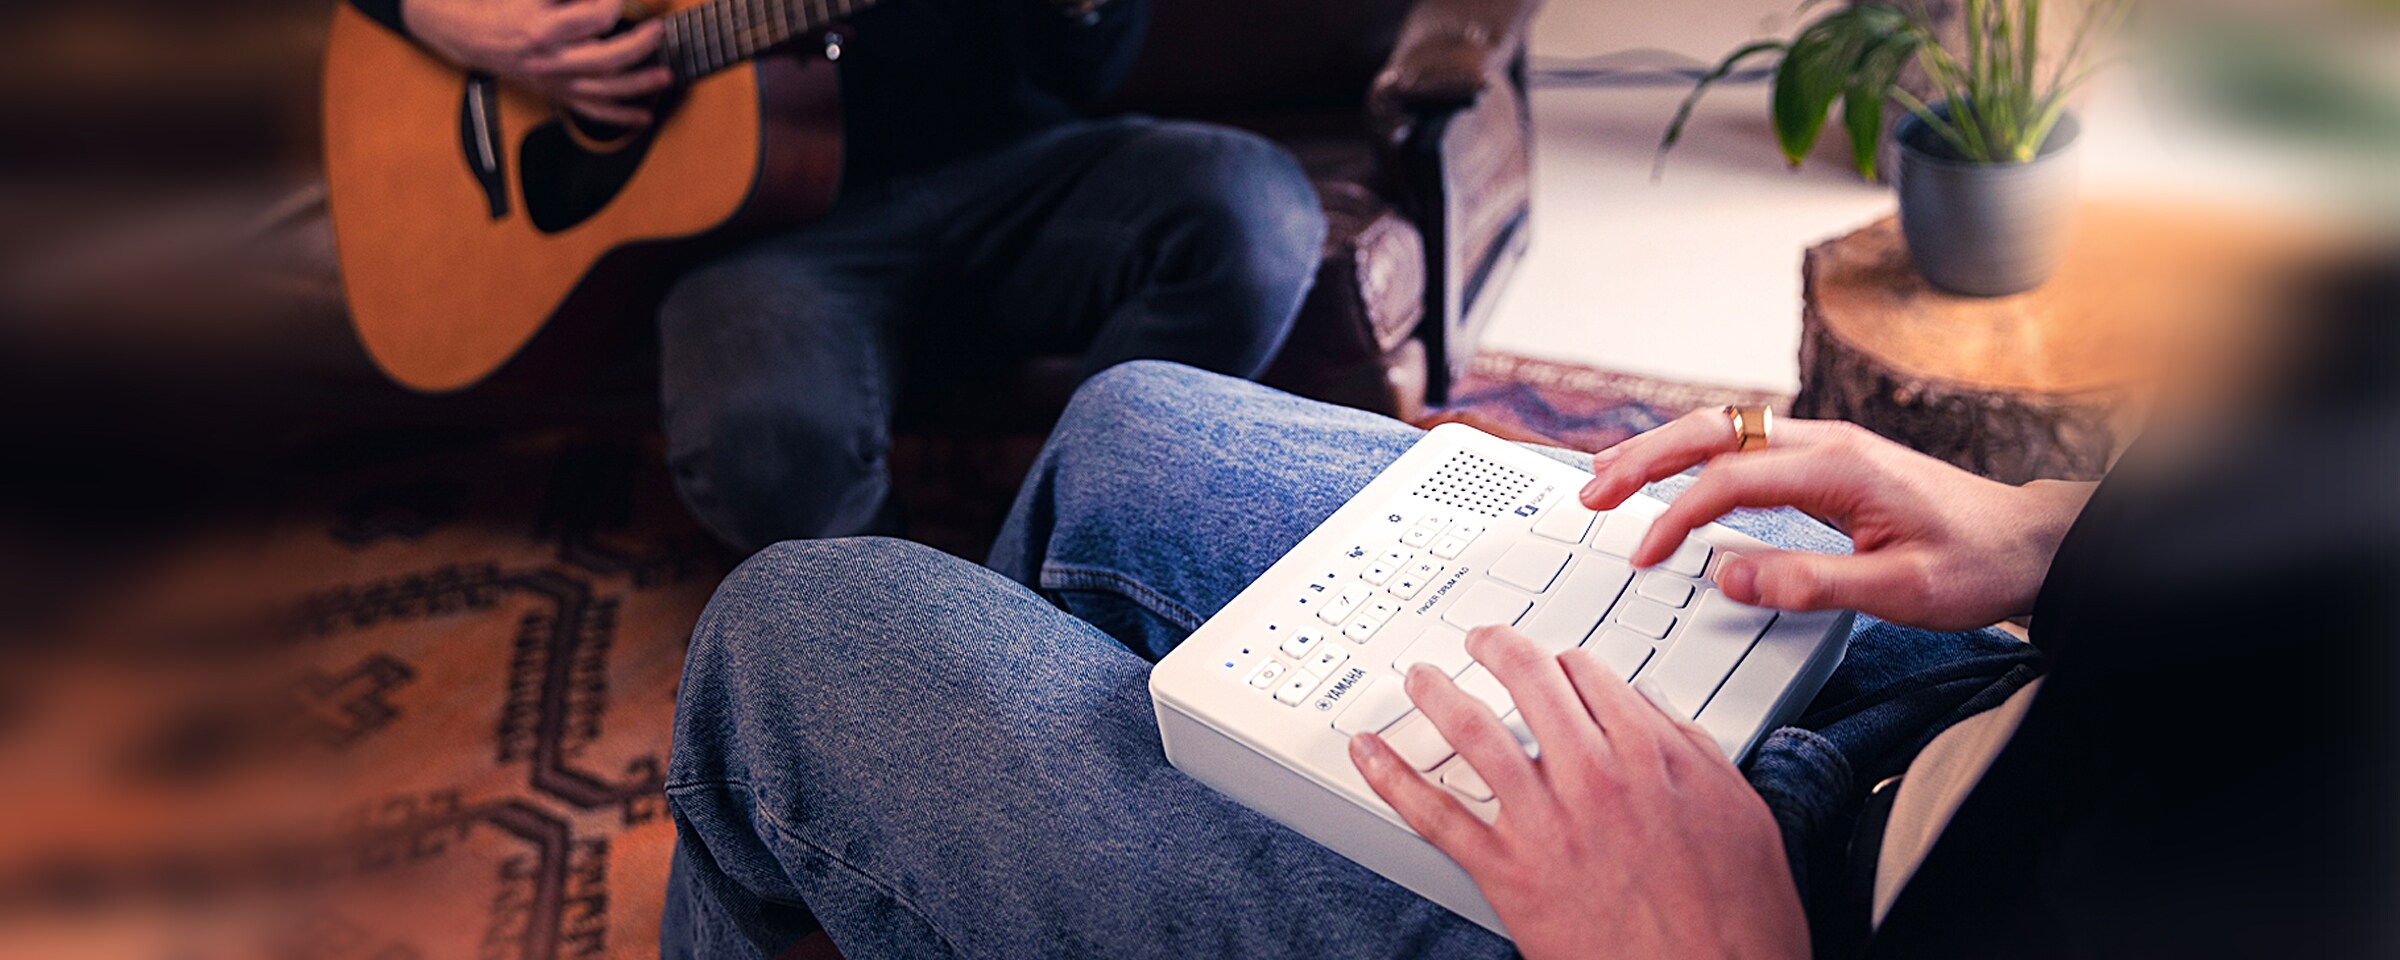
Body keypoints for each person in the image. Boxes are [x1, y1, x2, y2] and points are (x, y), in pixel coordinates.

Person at [661, 261, 2397, 957]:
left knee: (794, 636)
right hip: (1984, 713)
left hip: (1800, 933)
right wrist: (2055, 527)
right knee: (1133, 430)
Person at [343, 0, 1327, 549]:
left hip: (1022, 172)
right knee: (762, 443)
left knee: (1252, 217)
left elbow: (1090, 69)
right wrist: (443, 19)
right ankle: (920, 669)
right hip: (765, 240)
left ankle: (1073, 567)